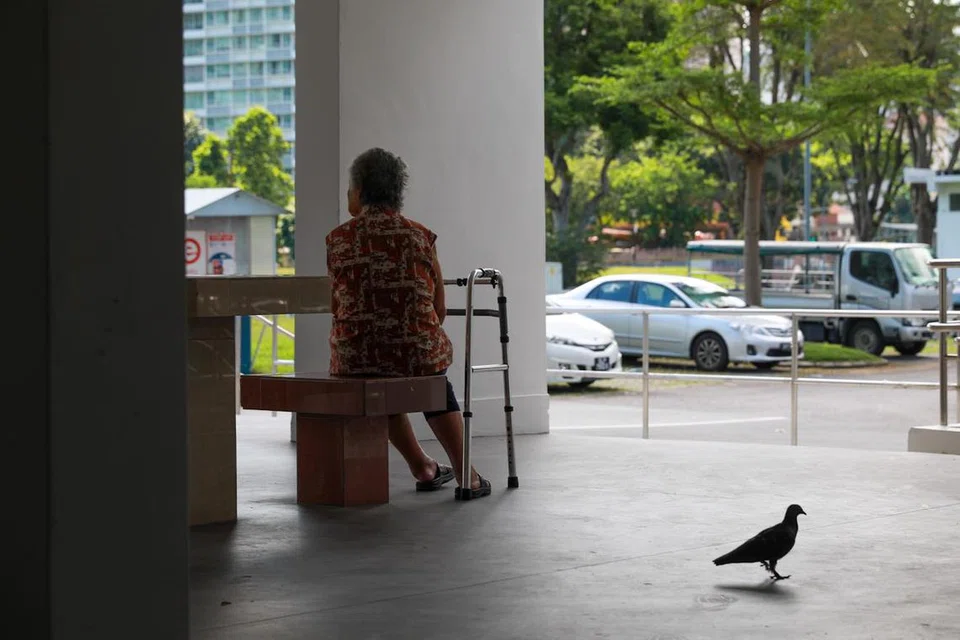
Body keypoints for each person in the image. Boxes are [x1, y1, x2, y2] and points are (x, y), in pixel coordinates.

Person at [325, 147, 491, 500]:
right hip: (418, 356)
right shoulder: (420, 236)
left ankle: (423, 466)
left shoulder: (337, 241)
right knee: (422, 365)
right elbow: (439, 310)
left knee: (376, 369)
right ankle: (466, 475)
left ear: (358, 191)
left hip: (354, 358)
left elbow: (337, 307)